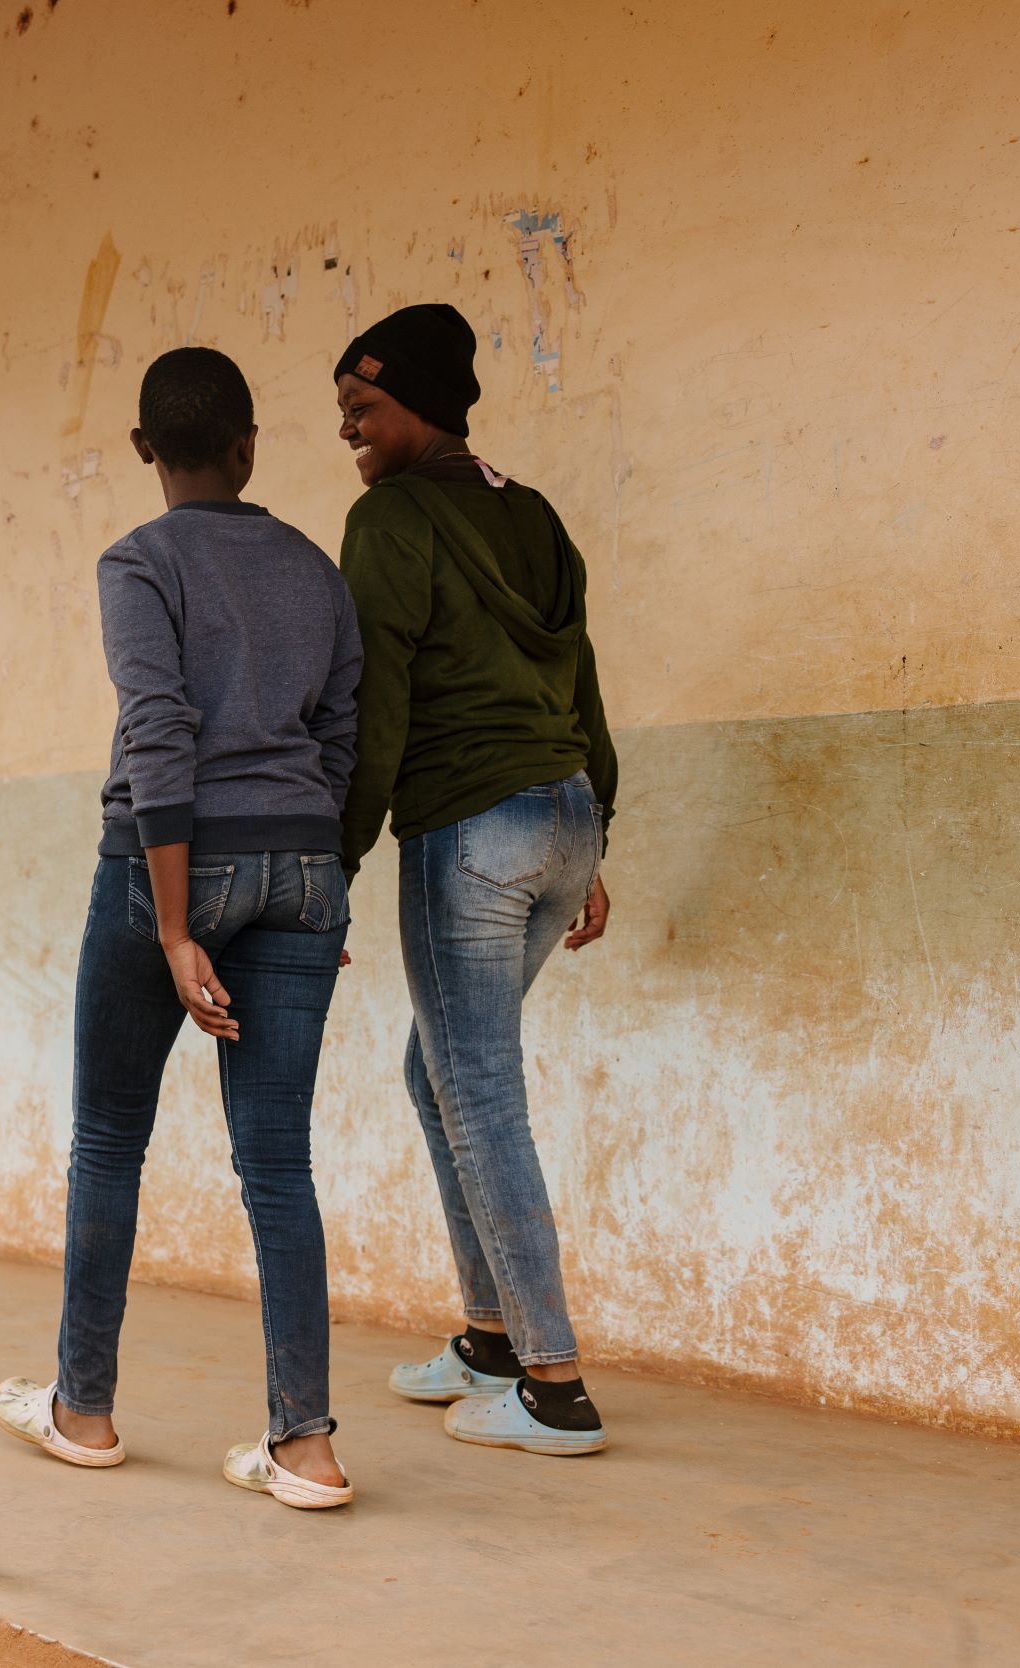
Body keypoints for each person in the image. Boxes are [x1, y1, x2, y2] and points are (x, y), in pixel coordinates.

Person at [0, 346, 364, 1509]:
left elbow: (159, 732)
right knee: (278, 1164)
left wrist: (172, 927)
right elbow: (345, 740)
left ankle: (85, 1410)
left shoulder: (139, 561)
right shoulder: (313, 566)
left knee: (109, 1137)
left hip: (171, 869)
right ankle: (303, 1447)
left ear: (147, 449)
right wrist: (314, 885)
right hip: (303, 870)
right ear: (250, 443)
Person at [332, 303, 619, 1456]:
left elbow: (376, 704)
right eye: (343, 409)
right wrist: (597, 835)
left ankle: (554, 1387)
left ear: (425, 405)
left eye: (364, 407)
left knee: (478, 1086)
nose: (347, 427)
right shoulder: (533, 514)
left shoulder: (390, 521)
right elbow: (580, 674)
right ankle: (491, 1339)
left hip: (468, 828)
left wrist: (338, 854)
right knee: (436, 1069)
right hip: (560, 817)